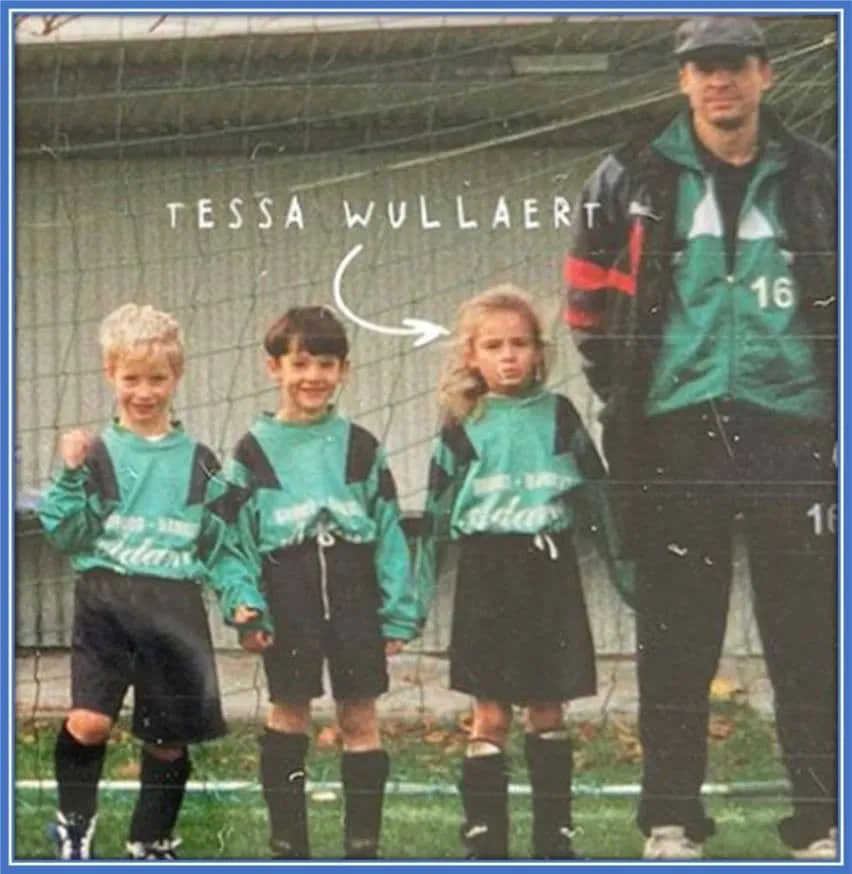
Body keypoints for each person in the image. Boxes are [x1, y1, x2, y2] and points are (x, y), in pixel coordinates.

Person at [563, 16, 837, 860]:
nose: (719, 83)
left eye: (734, 67)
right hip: (675, 437)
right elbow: (585, 302)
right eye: (702, 69)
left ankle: (824, 821)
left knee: (812, 634)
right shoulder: (630, 176)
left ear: (765, 75)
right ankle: (671, 822)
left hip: (794, 432)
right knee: (679, 636)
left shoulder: (822, 175)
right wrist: (630, 402)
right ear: (682, 82)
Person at [38, 303, 267, 861]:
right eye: (131, 378)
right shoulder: (94, 454)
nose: (144, 391)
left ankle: (151, 839)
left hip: (174, 604)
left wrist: (243, 600)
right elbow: (67, 535)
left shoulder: (200, 460)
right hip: (107, 598)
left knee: (167, 740)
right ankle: (73, 823)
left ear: (178, 377)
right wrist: (69, 474)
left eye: (157, 378)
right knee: (89, 723)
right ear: (110, 375)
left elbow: (223, 544)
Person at [415, 285, 633, 860]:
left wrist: (632, 580)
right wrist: (409, 603)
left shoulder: (559, 415)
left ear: (539, 352)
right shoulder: (465, 422)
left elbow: (600, 498)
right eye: (494, 345)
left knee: (547, 707)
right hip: (488, 571)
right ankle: (485, 840)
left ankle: (553, 840)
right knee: (490, 711)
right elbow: (437, 513)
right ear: (471, 356)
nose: (508, 356)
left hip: (548, 570)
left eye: (519, 344)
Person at [211, 305, 420, 860]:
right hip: (288, 588)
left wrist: (397, 611)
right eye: (300, 363)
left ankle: (362, 849)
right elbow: (232, 539)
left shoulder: (362, 445)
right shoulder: (252, 449)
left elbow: (390, 532)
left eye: (326, 364)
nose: (313, 377)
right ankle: (289, 847)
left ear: (344, 370)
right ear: (273, 368)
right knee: (290, 709)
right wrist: (245, 605)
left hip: (352, 588)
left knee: (359, 714)